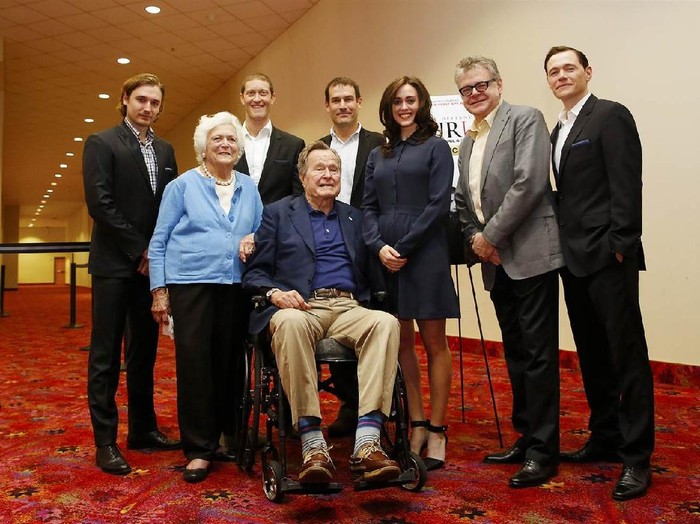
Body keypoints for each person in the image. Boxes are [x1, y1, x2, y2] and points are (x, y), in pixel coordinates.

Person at [242, 141, 401, 485]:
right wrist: (274, 294)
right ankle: (313, 443)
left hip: (348, 306)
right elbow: (255, 273)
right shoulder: (278, 213)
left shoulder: (354, 217)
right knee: (288, 322)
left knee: (386, 322)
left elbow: (373, 269)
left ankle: (368, 442)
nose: (328, 175)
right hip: (301, 306)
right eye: (320, 168)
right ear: (302, 177)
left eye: (334, 169)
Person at [544, 46, 654, 501]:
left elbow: (627, 182)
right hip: (572, 261)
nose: (561, 75)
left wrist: (622, 246)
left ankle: (637, 457)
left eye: (569, 67)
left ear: (588, 72)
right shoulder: (557, 129)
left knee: (627, 356)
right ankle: (606, 436)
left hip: (609, 258)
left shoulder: (610, 115)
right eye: (553, 71)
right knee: (592, 354)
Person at [453, 56, 564, 487]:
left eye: (481, 85)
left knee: (538, 355)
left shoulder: (525, 118)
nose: (474, 93)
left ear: (498, 84)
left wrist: (491, 237)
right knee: (516, 353)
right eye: (466, 89)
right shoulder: (468, 141)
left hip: (529, 255)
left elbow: (529, 183)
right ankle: (526, 436)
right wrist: (476, 238)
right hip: (495, 261)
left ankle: (543, 451)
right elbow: (463, 200)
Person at [148, 112, 263, 483]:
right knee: (196, 365)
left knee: (232, 363)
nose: (225, 145)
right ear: (203, 147)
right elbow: (159, 240)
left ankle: (230, 435)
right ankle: (199, 448)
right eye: (217, 139)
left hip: (236, 286)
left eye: (231, 139)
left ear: (238, 147)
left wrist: (254, 238)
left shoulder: (249, 187)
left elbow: (261, 230)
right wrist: (159, 291)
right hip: (191, 285)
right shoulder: (182, 186)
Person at [83, 73, 180, 475]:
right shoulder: (102, 142)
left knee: (143, 353)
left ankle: (142, 429)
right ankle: (105, 441)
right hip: (114, 265)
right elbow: (100, 203)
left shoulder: (166, 149)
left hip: (149, 270)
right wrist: (141, 248)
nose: (148, 107)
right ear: (125, 99)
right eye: (141, 99)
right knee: (105, 356)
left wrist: (156, 253)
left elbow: (170, 207)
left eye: (155, 102)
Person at [363, 76, 459, 471]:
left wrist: (404, 247)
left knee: (435, 343)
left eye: (411, 100)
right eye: (397, 101)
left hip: (425, 253)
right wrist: (378, 246)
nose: (404, 107)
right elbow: (368, 206)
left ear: (421, 104)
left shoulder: (437, 147)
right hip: (385, 257)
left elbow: (438, 204)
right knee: (401, 342)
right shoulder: (378, 153)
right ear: (388, 108)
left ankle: (437, 429)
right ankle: (416, 423)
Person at [319, 77, 386, 438]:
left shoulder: (381, 144)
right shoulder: (317, 148)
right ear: (327, 105)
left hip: (371, 246)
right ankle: (351, 403)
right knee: (337, 323)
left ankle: (378, 406)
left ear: (359, 102)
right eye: (336, 99)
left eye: (348, 98)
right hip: (330, 250)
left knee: (375, 320)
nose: (342, 105)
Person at [235, 73, 305, 204]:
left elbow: (299, 198)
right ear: (242, 98)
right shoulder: (228, 144)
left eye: (263, 93)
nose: (257, 99)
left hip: (279, 217)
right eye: (251, 93)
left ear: (272, 98)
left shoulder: (293, 145)